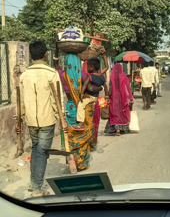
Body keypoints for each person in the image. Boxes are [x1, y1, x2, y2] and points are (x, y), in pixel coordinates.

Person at [16, 41, 68, 197]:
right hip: (47, 120)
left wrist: (20, 120)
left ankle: (34, 184)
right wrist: (62, 119)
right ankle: (37, 189)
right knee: (41, 153)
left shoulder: (24, 76)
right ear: (46, 55)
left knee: (35, 150)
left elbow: (21, 101)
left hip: (31, 120)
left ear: (30, 56)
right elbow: (57, 100)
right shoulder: (52, 74)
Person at [53, 48, 104, 171]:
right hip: (83, 107)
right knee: (83, 132)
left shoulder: (63, 74)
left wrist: (56, 50)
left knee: (71, 133)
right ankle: (82, 163)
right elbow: (95, 84)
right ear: (78, 62)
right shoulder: (83, 75)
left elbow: (55, 64)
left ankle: (72, 160)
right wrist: (101, 87)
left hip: (70, 107)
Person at [72, 58, 108, 130]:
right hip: (95, 97)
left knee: (81, 105)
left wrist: (82, 93)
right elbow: (105, 87)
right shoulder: (102, 76)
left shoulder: (90, 76)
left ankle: (81, 123)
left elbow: (85, 84)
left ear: (91, 67)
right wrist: (106, 96)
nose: (87, 67)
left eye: (87, 66)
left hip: (89, 96)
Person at [104, 63, 134, 136]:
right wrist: (130, 98)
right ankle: (122, 128)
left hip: (114, 97)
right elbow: (128, 89)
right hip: (122, 97)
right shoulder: (124, 78)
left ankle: (116, 128)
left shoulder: (112, 78)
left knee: (114, 112)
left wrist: (107, 97)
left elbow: (110, 89)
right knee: (121, 112)